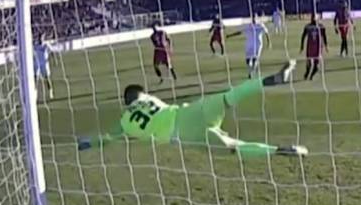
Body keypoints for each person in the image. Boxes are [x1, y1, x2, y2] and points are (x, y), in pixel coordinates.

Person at [77, 61, 306, 158]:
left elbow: (107, 138)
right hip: (189, 111)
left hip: (184, 135)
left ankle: (279, 150)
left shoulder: (125, 121)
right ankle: (271, 79)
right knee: (229, 96)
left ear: (126, 102)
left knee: (235, 148)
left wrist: (88, 143)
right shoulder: (149, 97)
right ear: (141, 94)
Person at [300, 13, 328, 80]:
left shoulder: (321, 27)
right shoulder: (308, 26)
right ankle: (307, 73)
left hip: (318, 48)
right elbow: (303, 36)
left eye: (314, 18)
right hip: (310, 47)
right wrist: (302, 46)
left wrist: (326, 46)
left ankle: (311, 76)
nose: (313, 19)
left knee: (316, 65)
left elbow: (324, 36)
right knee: (309, 63)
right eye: (312, 18)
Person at [242, 14, 270, 79]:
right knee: (248, 59)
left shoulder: (260, 25)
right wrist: (230, 35)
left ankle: (252, 71)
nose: (254, 19)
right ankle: (250, 71)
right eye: (253, 17)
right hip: (249, 45)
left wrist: (269, 42)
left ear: (257, 18)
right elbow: (241, 32)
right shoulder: (249, 26)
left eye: (255, 17)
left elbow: (266, 33)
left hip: (258, 45)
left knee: (255, 59)